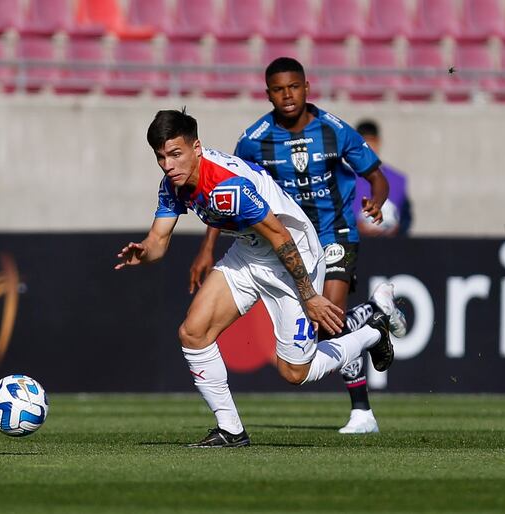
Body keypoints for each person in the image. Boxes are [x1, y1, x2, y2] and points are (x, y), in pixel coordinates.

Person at [115, 109, 403, 447]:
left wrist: (309, 294)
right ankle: (231, 430)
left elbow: (281, 236)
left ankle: (372, 332)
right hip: (250, 253)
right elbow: (159, 241)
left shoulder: (227, 186)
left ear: (197, 147)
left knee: (295, 372)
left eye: (175, 154)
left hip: (293, 255)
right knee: (193, 333)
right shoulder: (173, 184)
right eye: (161, 157)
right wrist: (144, 251)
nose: (168, 164)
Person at [189, 57, 405, 434]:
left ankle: (361, 411)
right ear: (268, 93)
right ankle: (373, 319)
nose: (287, 95)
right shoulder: (255, 139)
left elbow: (376, 175)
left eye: (293, 87)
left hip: (334, 232)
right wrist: (208, 248)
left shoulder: (335, 130)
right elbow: (227, 195)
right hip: (288, 238)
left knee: (330, 316)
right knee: (326, 328)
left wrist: (378, 199)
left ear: (307, 87)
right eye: (278, 89)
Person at [352, 119, 413, 237]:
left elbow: (406, 218)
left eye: (372, 142)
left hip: (390, 247)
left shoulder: (398, 180)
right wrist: (357, 227)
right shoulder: (344, 179)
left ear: (379, 142)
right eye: (365, 143)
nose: (369, 148)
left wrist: (396, 229)